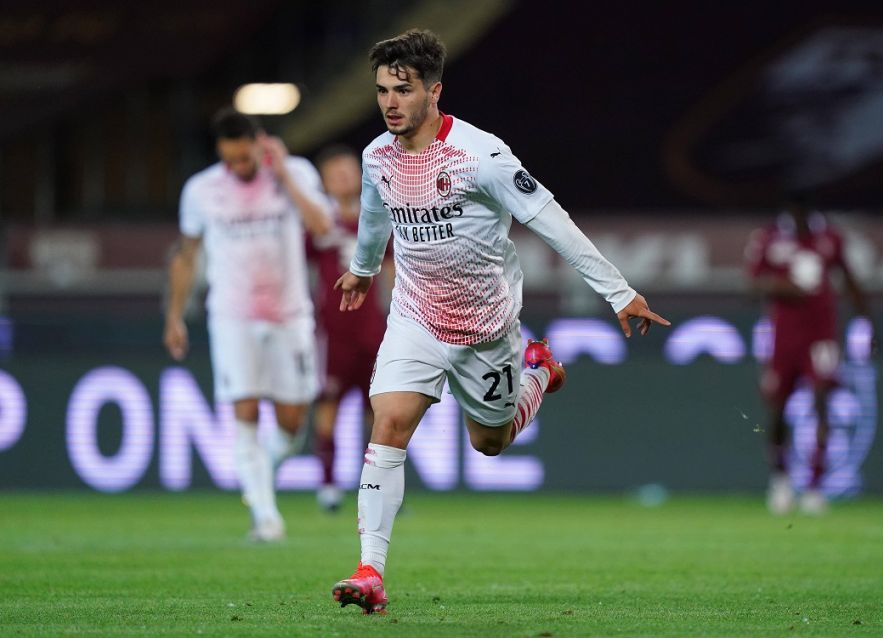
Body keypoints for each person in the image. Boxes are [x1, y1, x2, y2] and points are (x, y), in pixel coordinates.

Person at [329, 29, 670, 615]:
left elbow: (551, 220)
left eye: (402, 90)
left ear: (434, 91)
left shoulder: (482, 156)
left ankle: (537, 372)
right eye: (383, 90)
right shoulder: (376, 157)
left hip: (486, 328)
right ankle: (371, 571)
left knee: (488, 442)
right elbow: (372, 215)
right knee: (387, 425)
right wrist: (362, 269)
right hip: (413, 317)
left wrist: (620, 293)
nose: (390, 102)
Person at [164, 107, 332, 541]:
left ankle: (258, 482)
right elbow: (186, 256)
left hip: (289, 314)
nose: (238, 167)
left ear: (261, 144)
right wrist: (174, 315)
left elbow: (322, 226)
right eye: (230, 159)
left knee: (293, 423)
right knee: (244, 411)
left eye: (246, 158)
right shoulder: (201, 190)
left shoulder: (295, 172)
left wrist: (285, 176)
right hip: (232, 315)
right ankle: (265, 516)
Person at [745, 193, 874, 515]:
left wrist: (868, 322)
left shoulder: (830, 237)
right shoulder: (769, 238)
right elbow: (751, 284)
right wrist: (781, 286)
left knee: (821, 403)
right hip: (783, 339)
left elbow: (849, 279)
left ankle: (815, 486)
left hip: (821, 337)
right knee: (776, 409)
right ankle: (780, 481)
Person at [308, 145, 392, 513]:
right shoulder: (318, 223)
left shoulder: (376, 217)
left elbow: (390, 269)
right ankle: (327, 484)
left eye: (348, 170)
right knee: (329, 404)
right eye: (335, 172)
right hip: (332, 330)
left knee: (378, 410)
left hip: (372, 328)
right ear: (324, 182)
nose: (343, 177)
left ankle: (377, 489)